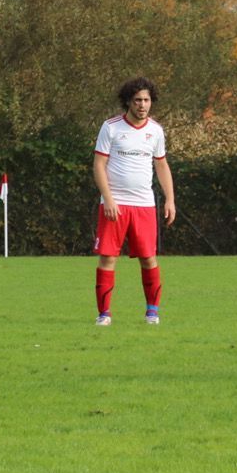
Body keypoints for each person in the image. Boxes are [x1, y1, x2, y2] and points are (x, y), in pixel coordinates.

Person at [93, 76, 177, 326]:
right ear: (128, 101)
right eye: (138, 100)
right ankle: (104, 314)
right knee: (108, 258)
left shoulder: (156, 131)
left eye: (147, 100)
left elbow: (161, 165)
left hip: (144, 206)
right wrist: (108, 199)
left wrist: (170, 199)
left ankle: (152, 312)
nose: (142, 105)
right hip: (115, 204)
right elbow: (99, 165)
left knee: (148, 258)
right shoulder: (111, 127)